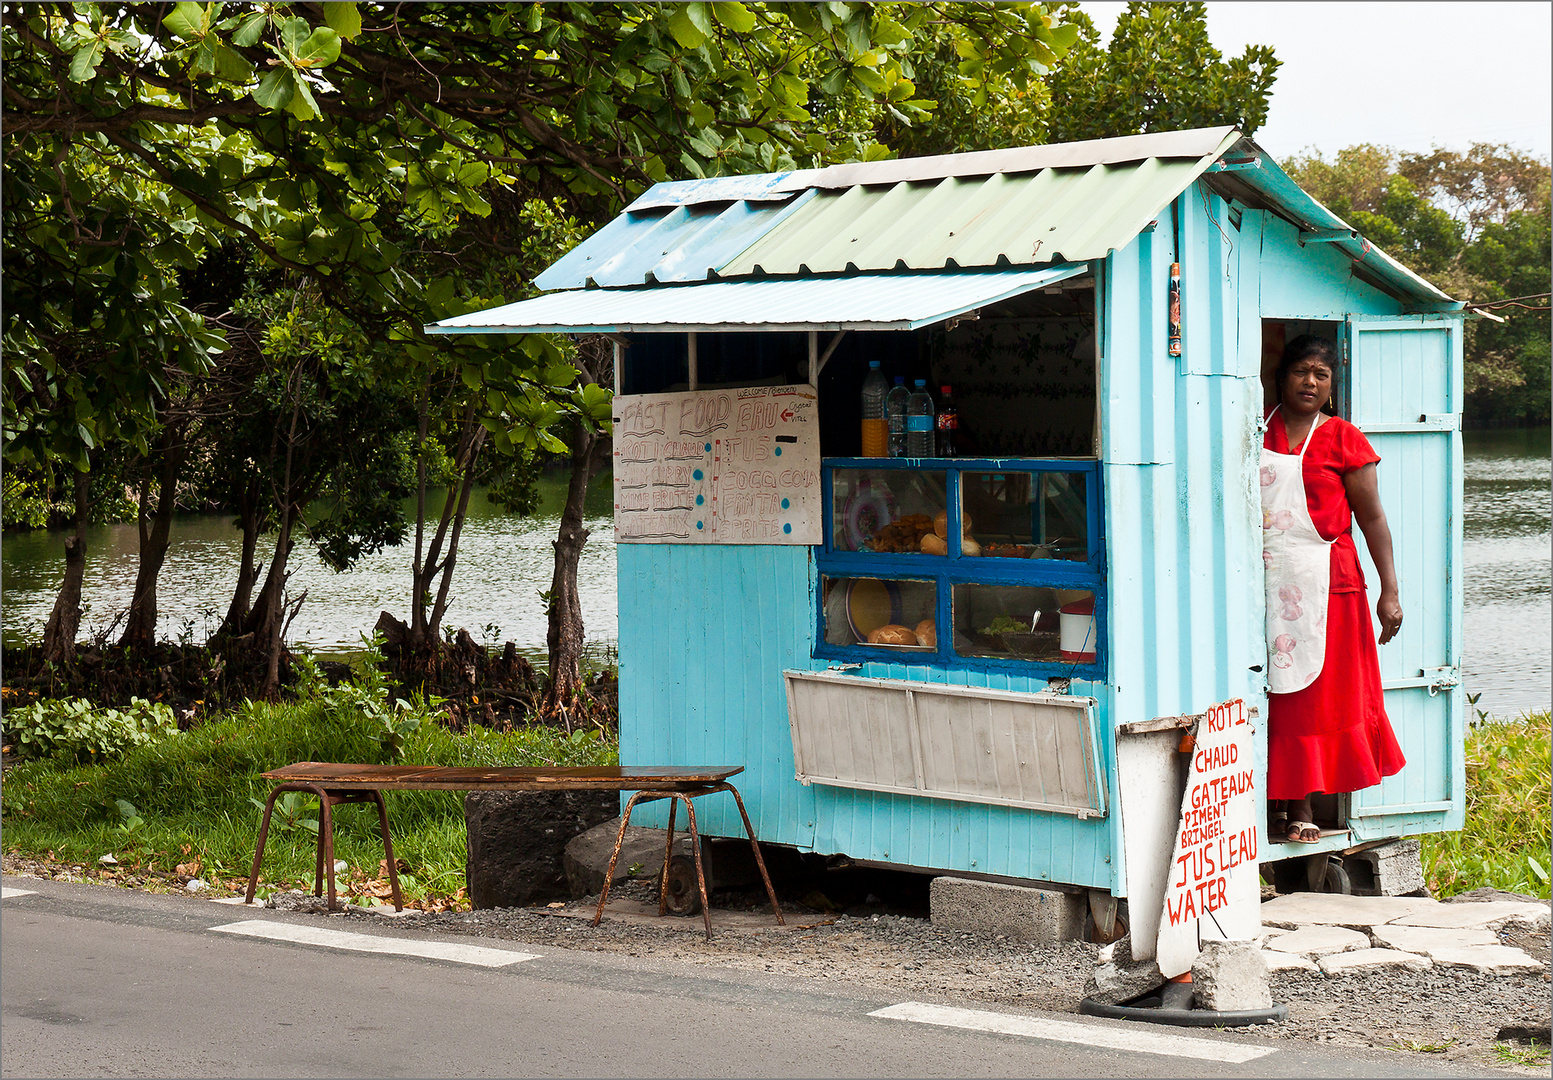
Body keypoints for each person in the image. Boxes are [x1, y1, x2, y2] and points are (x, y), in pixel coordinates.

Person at [1262, 334, 1405, 844]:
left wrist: (1390, 590)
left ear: (1330, 387)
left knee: (1315, 695)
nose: (1310, 382)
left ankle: (1302, 805)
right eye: (1302, 371)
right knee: (1272, 692)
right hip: (1261, 579)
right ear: (1282, 376)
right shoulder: (1254, 429)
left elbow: (1372, 518)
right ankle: (1270, 804)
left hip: (1329, 583)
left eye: (1321, 376)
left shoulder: (1344, 438)